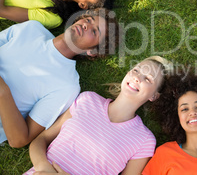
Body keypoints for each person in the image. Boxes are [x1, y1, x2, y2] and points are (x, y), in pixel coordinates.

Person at [25, 56, 171, 174]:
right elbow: (42, 139)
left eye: (148, 79)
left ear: (154, 96)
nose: (137, 78)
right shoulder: (87, 99)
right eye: (137, 70)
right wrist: (44, 168)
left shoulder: (144, 140)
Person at [0, 8, 119, 148]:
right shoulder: (32, 28)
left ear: (92, 51)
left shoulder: (67, 86)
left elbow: (19, 139)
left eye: (94, 31)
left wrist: (3, 92)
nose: (86, 25)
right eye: (88, 20)